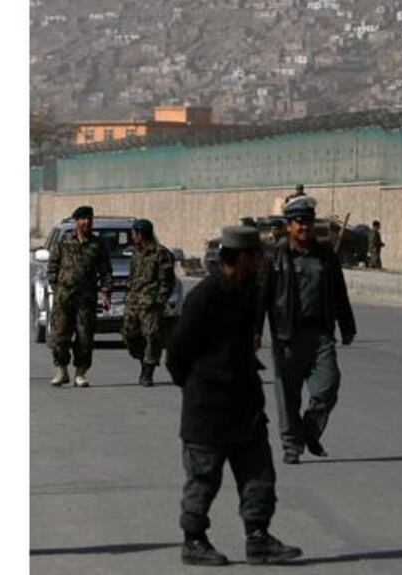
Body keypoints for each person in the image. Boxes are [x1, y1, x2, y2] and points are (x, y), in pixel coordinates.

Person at [167, 226, 302, 566]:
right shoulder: (206, 296)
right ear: (242, 257)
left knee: (259, 474)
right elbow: (177, 355)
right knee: (203, 480)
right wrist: (199, 388)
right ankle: (193, 540)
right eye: (257, 256)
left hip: (244, 408)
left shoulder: (247, 291)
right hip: (208, 410)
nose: (262, 262)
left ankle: (258, 538)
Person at [256, 195, 357, 465]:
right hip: (286, 334)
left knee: (328, 385)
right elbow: (261, 295)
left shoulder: (325, 256)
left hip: (320, 333)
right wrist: (255, 330)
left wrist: (347, 325)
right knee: (287, 395)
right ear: (289, 225)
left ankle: (309, 431)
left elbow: (339, 293)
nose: (305, 227)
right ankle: (291, 445)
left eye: (309, 222)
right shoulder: (275, 256)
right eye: (299, 222)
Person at [46, 205, 112, 388]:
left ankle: (80, 373)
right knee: (59, 337)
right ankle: (61, 370)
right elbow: (53, 265)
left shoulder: (97, 244)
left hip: (86, 299)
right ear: (76, 221)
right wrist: (55, 286)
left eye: (89, 219)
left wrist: (106, 291)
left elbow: (105, 270)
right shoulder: (64, 241)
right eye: (83, 219)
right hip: (64, 298)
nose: (87, 222)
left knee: (84, 338)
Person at [122, 218, 176, 387]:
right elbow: (132, 277)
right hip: (134, 303)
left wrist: (159, 300)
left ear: (141, 234)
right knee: (130, 335)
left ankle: (148, 371)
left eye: (134, 234)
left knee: (152, 336)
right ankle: (143, 360)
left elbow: (167, 281)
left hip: (151, 304)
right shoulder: (136, 253)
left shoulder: (161, 254)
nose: (133, 237)